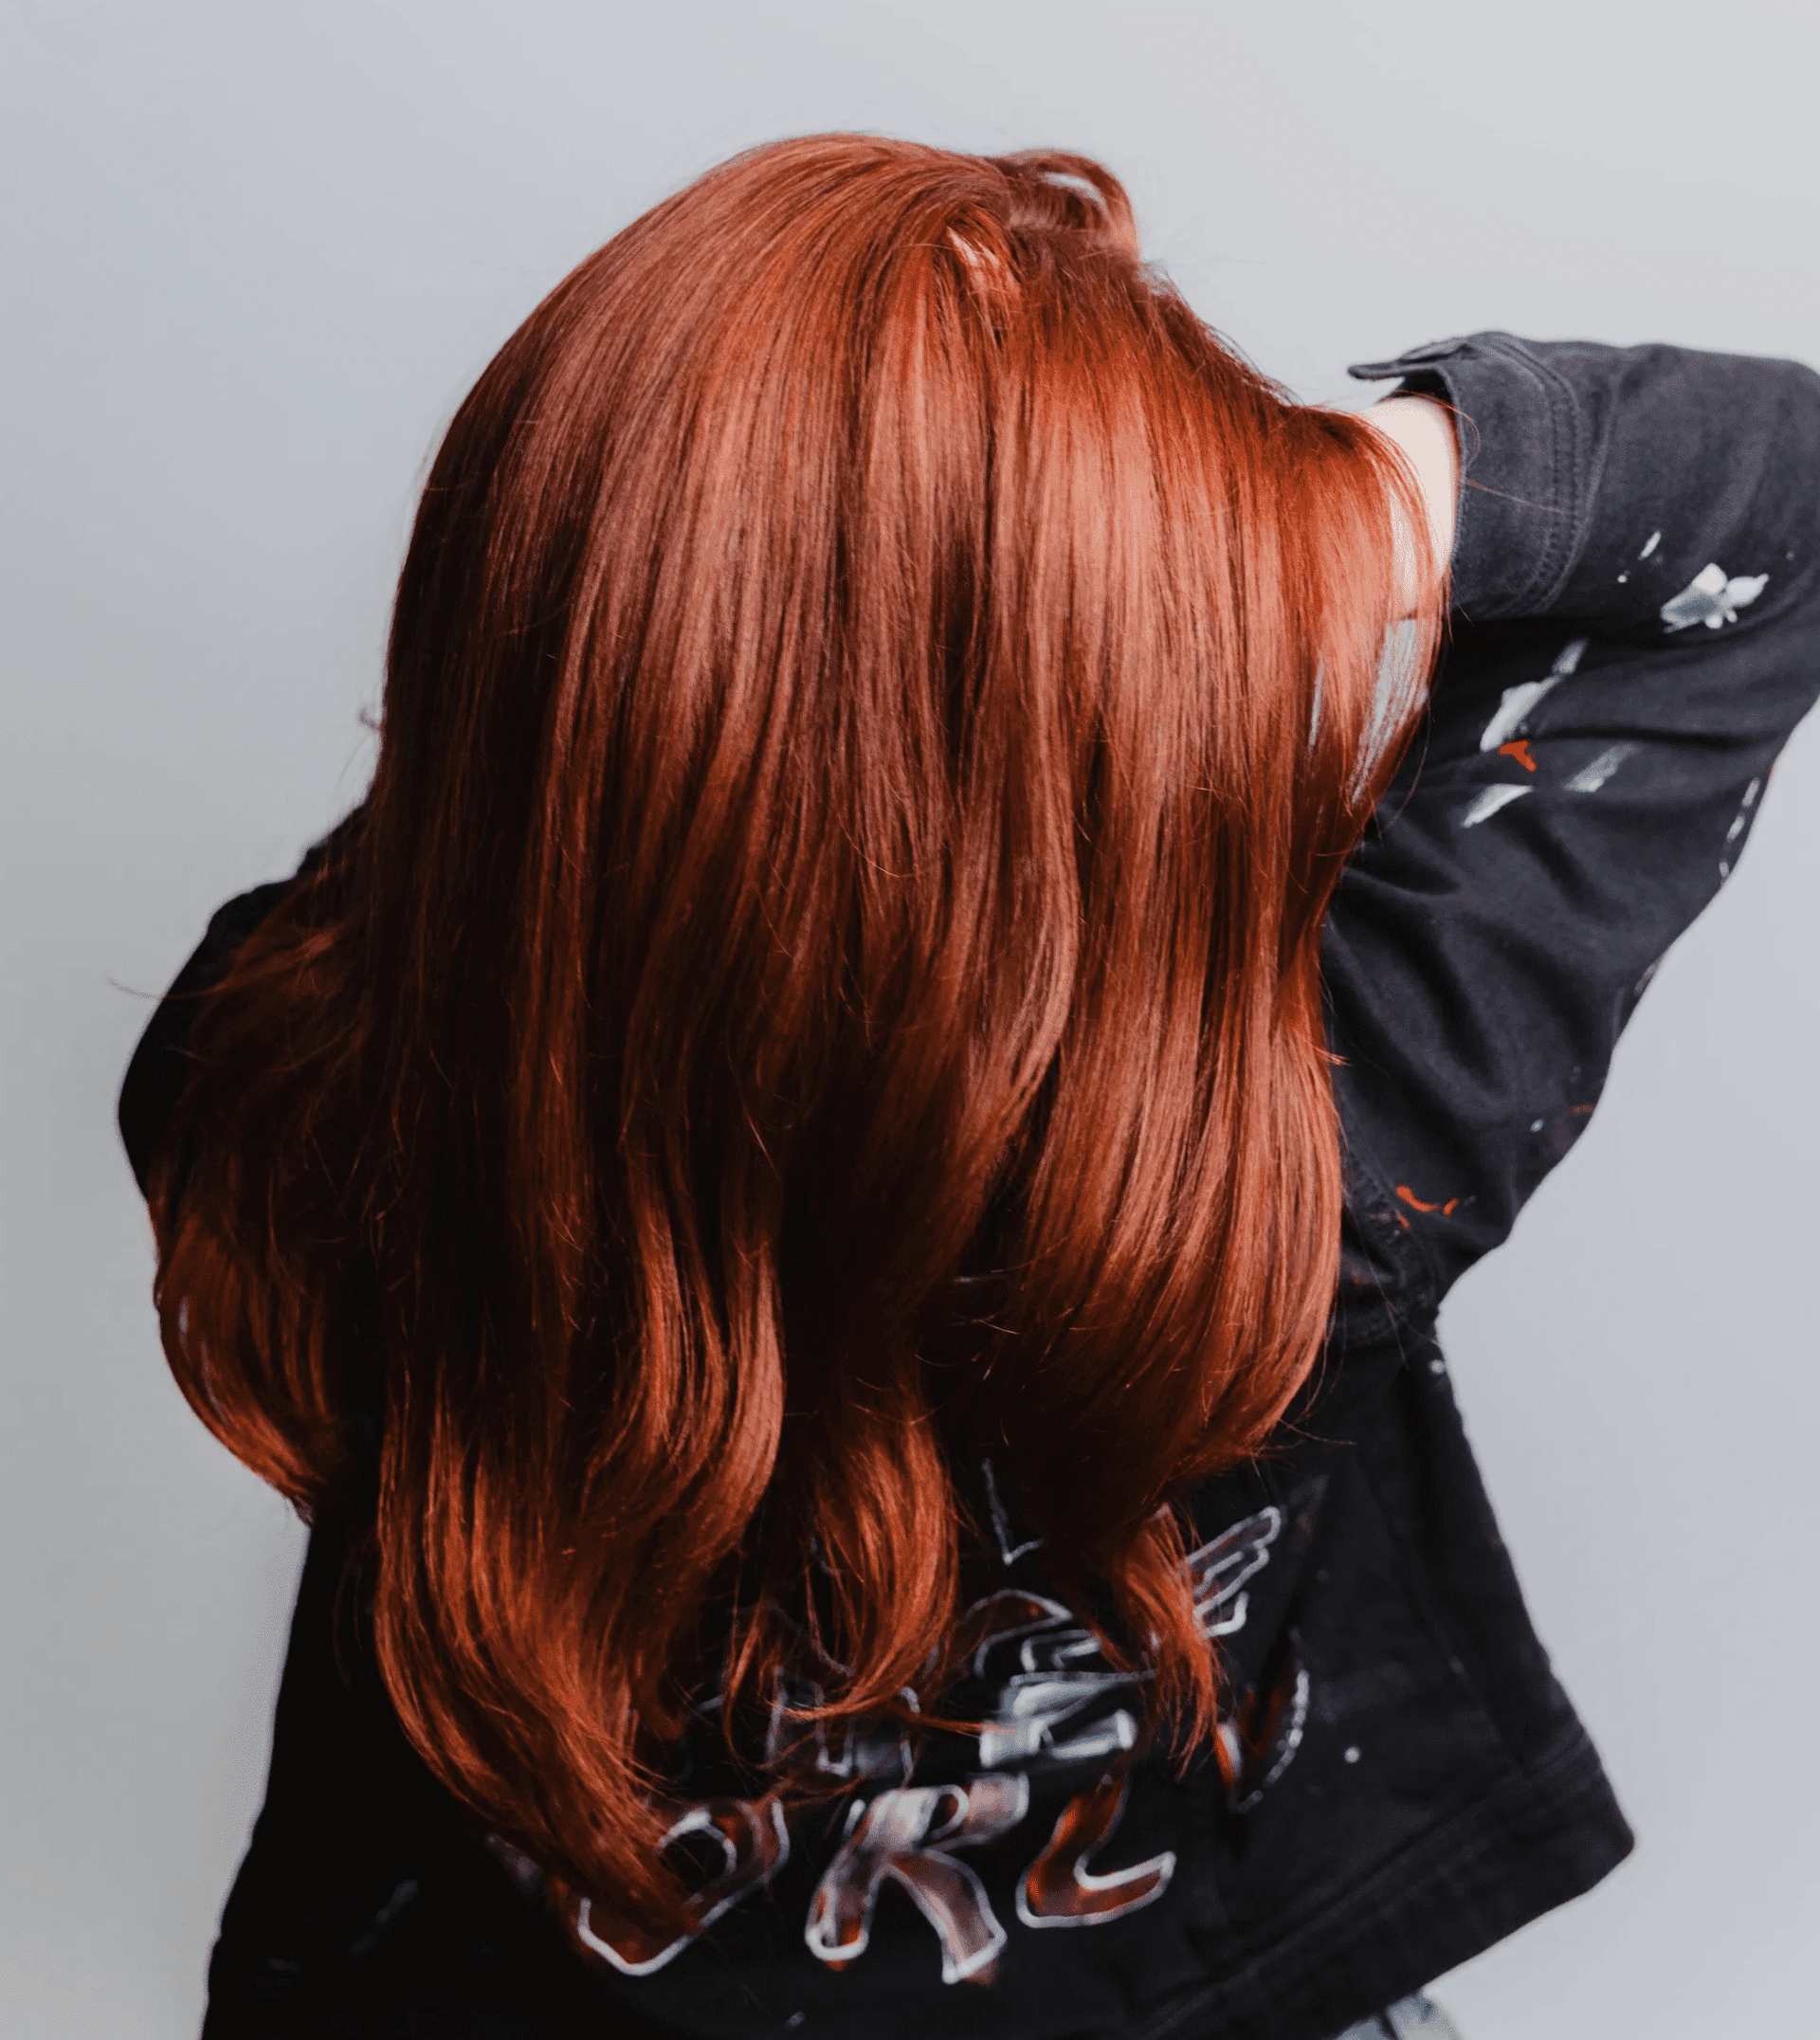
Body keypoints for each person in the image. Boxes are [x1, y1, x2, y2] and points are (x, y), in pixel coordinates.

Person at [118, 135, 1820, 2040]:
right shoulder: (1308, 1163)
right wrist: (1331, 511)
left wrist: (749, 567)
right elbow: (1784, 499)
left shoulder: (278, 1079)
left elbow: (561, 774)